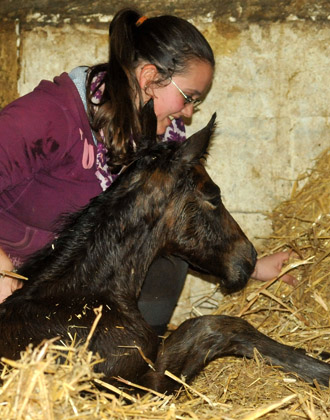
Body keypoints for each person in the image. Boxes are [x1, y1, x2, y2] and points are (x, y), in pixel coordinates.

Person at [0, 8, 296, 334]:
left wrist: (250, 266)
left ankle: (138, 358)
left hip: (65, 284)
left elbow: (191, 217)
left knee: (167, 235)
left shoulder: (155, 138)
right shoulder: (53, 114)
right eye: (188, 98)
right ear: (149, 78)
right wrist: (2, 272)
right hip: (16, 276)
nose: (187, 114)